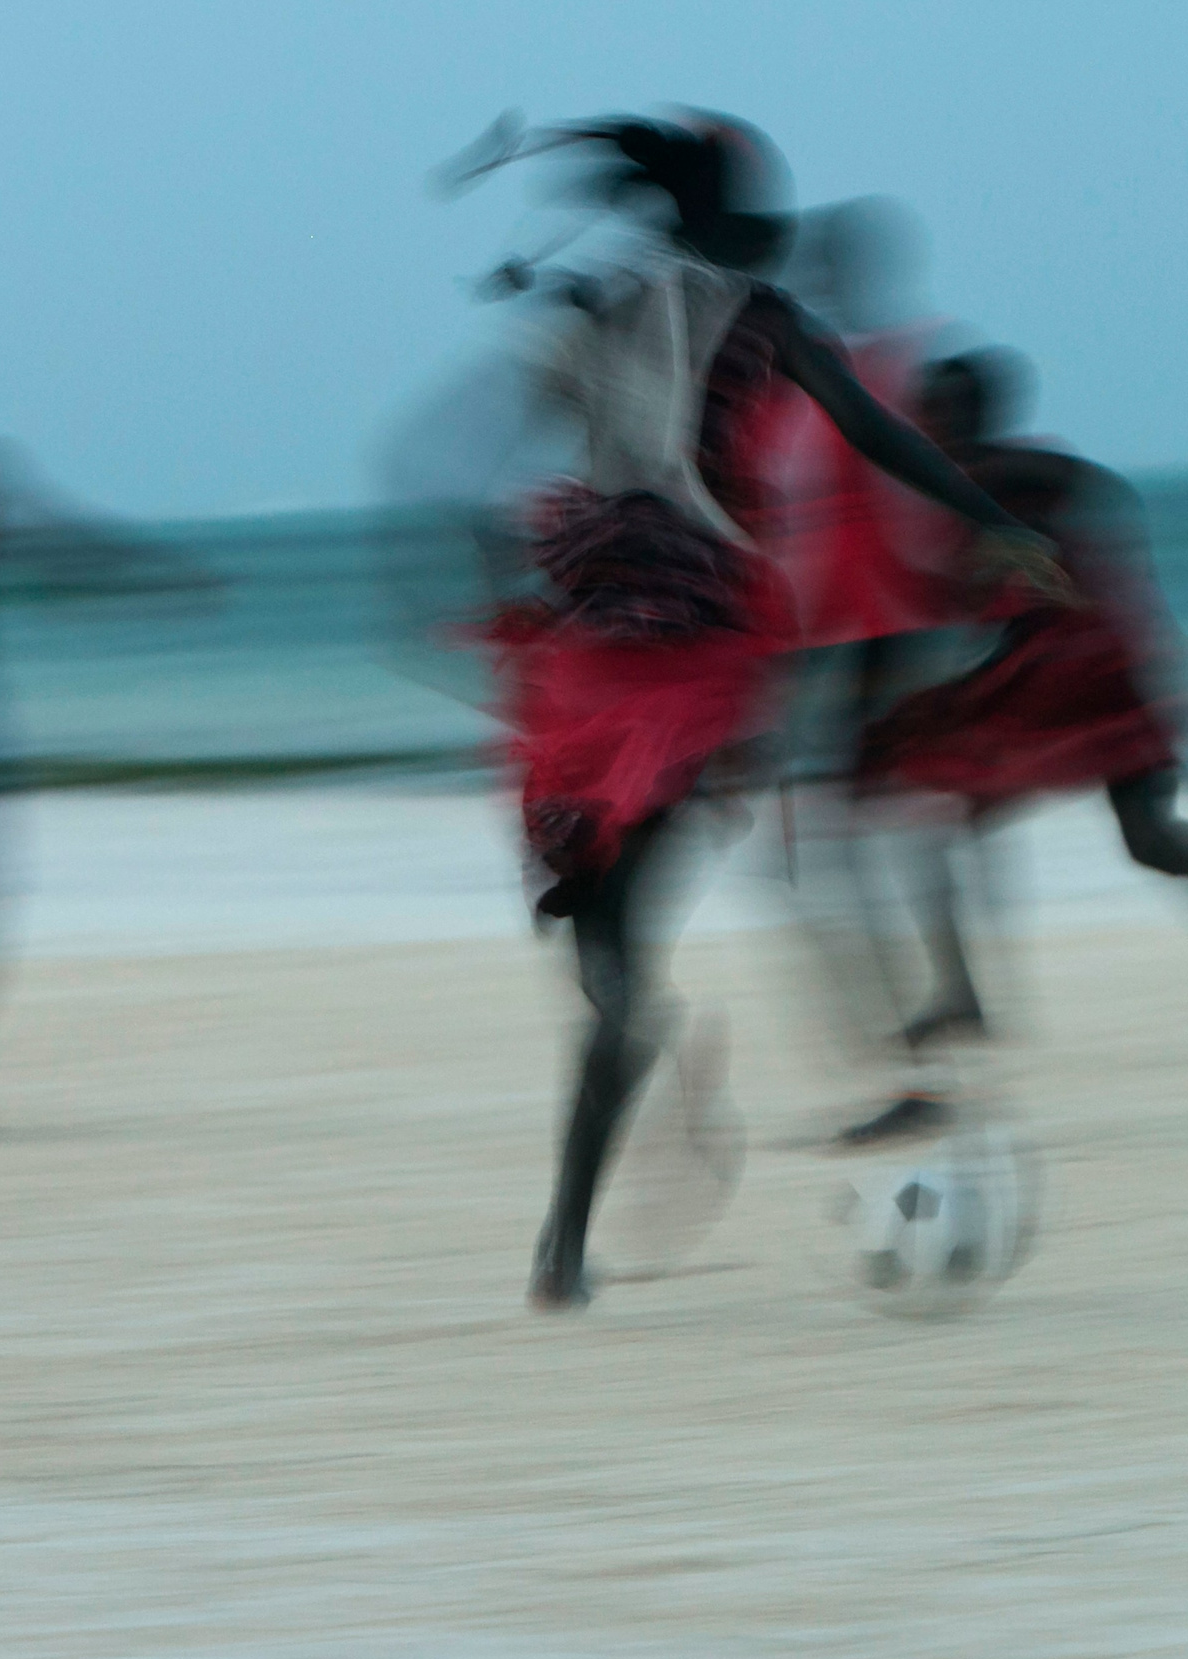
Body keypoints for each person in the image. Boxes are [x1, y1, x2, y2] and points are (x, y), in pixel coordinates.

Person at [443, 112, 1067, 1309]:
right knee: (627, 965)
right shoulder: (762, 316)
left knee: (610, 974)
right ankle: (576, 1210)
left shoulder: (590, 309)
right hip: (696, 664)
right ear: (732, 225)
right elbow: (874, 429)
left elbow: (486, 471)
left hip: (578, 667)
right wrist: (994, 522)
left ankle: (564, 1248)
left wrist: (483, 574)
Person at [840, 348, 1188, 1141]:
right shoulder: (1046, 473)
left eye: (934, 415)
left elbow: (965, 592)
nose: (925, 428)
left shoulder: (975, 483)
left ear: (955, 419)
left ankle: (963, 994)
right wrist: (1173, 669)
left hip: (1064, 678)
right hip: (1112, 671)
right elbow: (1109, 551)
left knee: (933, 803)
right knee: (1147, 842)